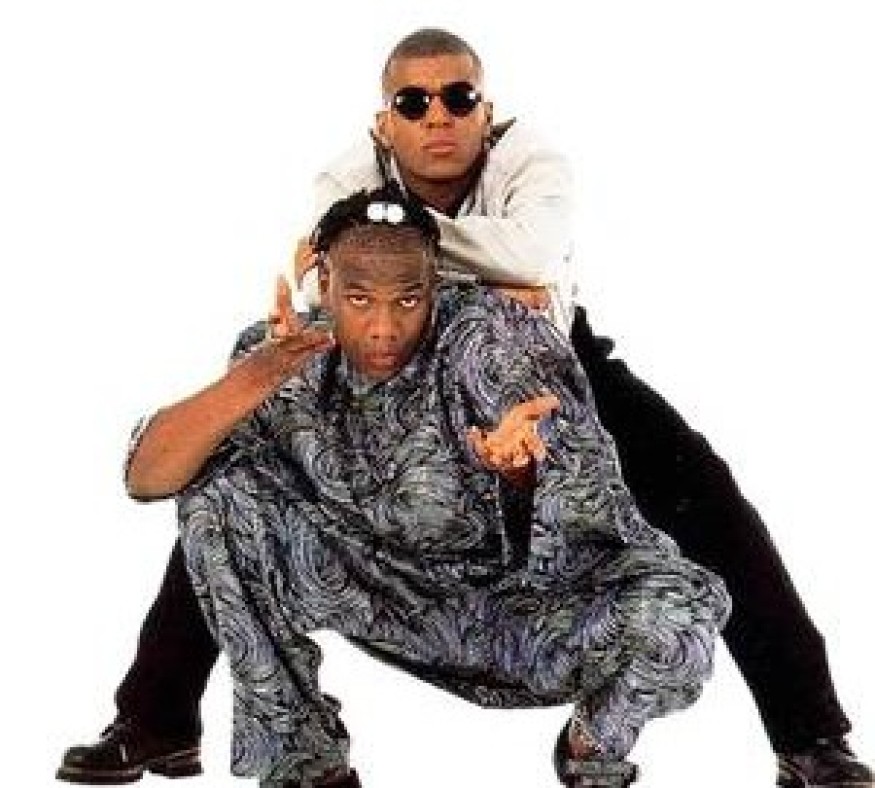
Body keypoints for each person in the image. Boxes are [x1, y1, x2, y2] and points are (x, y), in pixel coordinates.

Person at [56, 27, 872, 788]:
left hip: (547, 364)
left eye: (458, 98)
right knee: (243, 476)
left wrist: (390, 243)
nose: (437, 117)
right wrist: (425, 270)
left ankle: (809, 735)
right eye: (413, 103)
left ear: (487, 110)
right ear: (384, 123)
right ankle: (157, 715)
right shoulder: (346, 174)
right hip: (399, 363)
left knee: (706, 502)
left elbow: (522, 253)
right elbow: (346, 279)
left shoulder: (531, 161)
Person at [129, 186, 730, 788]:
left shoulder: (492, 341)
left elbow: (592, 515)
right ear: (324, 282)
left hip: (518, 615)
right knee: (217, 495)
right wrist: (259, 373)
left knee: (682, 618)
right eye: (359, 299)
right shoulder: (284, 353)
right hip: (375, 594)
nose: (384, 327)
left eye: (408, 299)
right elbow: (148, 478)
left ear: (435, 286)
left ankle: (592, 750)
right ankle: (305, 762)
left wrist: (518, 476)